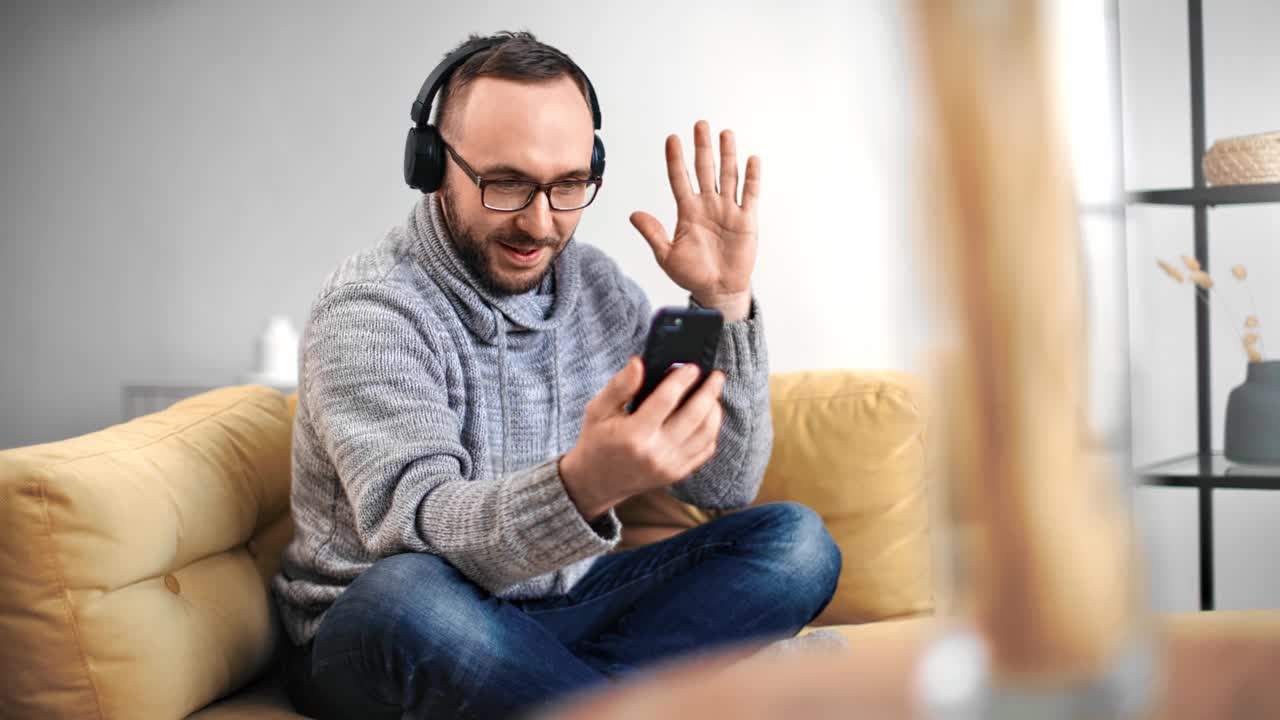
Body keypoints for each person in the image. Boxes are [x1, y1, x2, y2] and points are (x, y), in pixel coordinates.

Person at [271, 30, 841, 720]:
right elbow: (415, 530)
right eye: (505, 182)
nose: (540, 223)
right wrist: (583, 485)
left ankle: (565, 694)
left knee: (796, 546)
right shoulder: (372, 307)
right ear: (432, 166)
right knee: (408, 597)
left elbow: (722, 487)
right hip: (380, 631)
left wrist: (724, 301)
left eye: (569, 185)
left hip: (559, 610)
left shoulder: (592, 286)